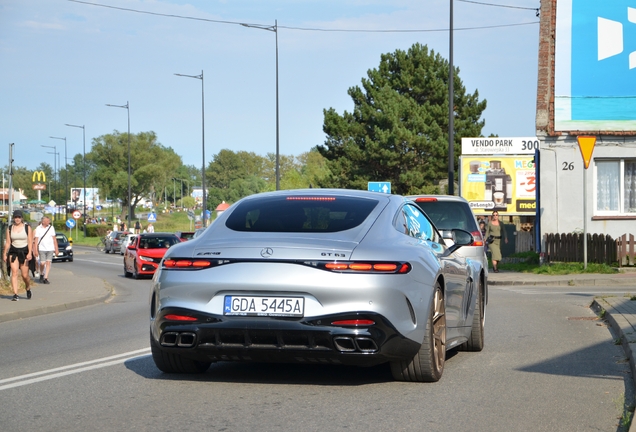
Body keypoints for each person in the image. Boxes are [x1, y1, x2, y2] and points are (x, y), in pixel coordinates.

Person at [4, 210, 34, 301]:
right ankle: (15, 294)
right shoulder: (9, 229)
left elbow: (30, 241)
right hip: (13, 252)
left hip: (24, 251)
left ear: (22, 218)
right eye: (15, 217)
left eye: (19, 217)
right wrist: (5, 253)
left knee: (25, 275)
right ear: (13, 218)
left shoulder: (27, 228)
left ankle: (28, 287)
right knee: (14, 271)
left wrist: (29, 253)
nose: (17, 219)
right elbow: (8, 243)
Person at [34, 216, 59, 284]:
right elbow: (36, 240)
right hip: (42, 248)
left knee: (48, 263)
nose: (49, 222)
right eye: (47, 221)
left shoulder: (51, 228)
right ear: (43, 222)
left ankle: (46, 277)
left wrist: (56, 249)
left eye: (49, 221)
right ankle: (42, 274)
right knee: (42, 263)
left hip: (50, 248)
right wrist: (35, 250)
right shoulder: (38, 228)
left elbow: (54, 239)